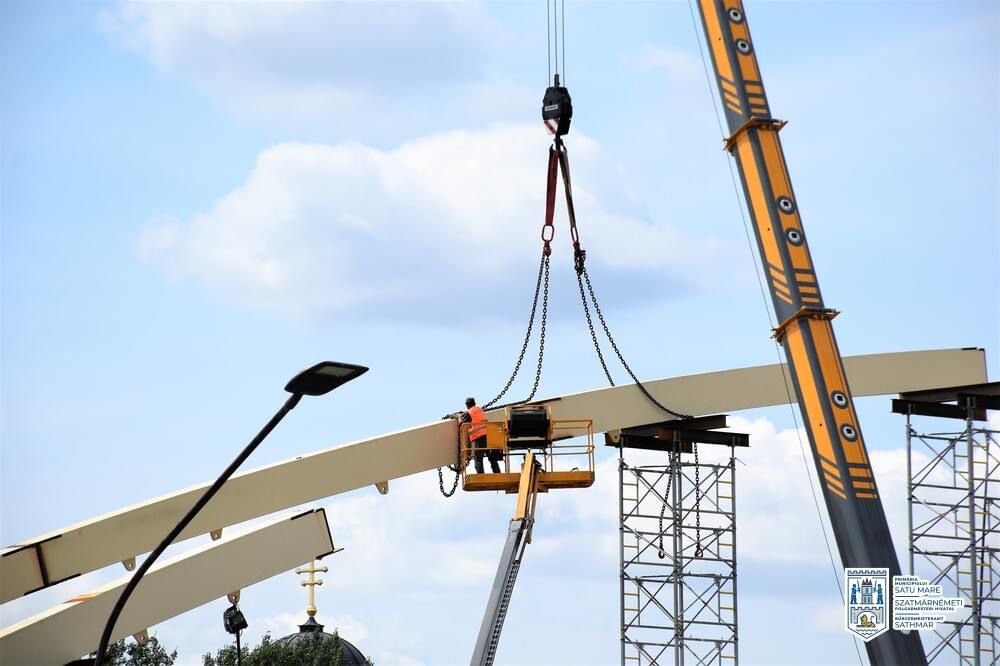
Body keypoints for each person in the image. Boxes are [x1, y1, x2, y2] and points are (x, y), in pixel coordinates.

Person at [466, 397, 501, 474]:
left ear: (467, 405)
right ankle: (497, 472)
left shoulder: (469, 412)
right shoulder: (480, 410)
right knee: (492, 458)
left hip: (478, 437)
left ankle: (480, 475)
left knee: (478, 458)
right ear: (474, 403)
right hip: (487, 436)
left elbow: (463, 422)